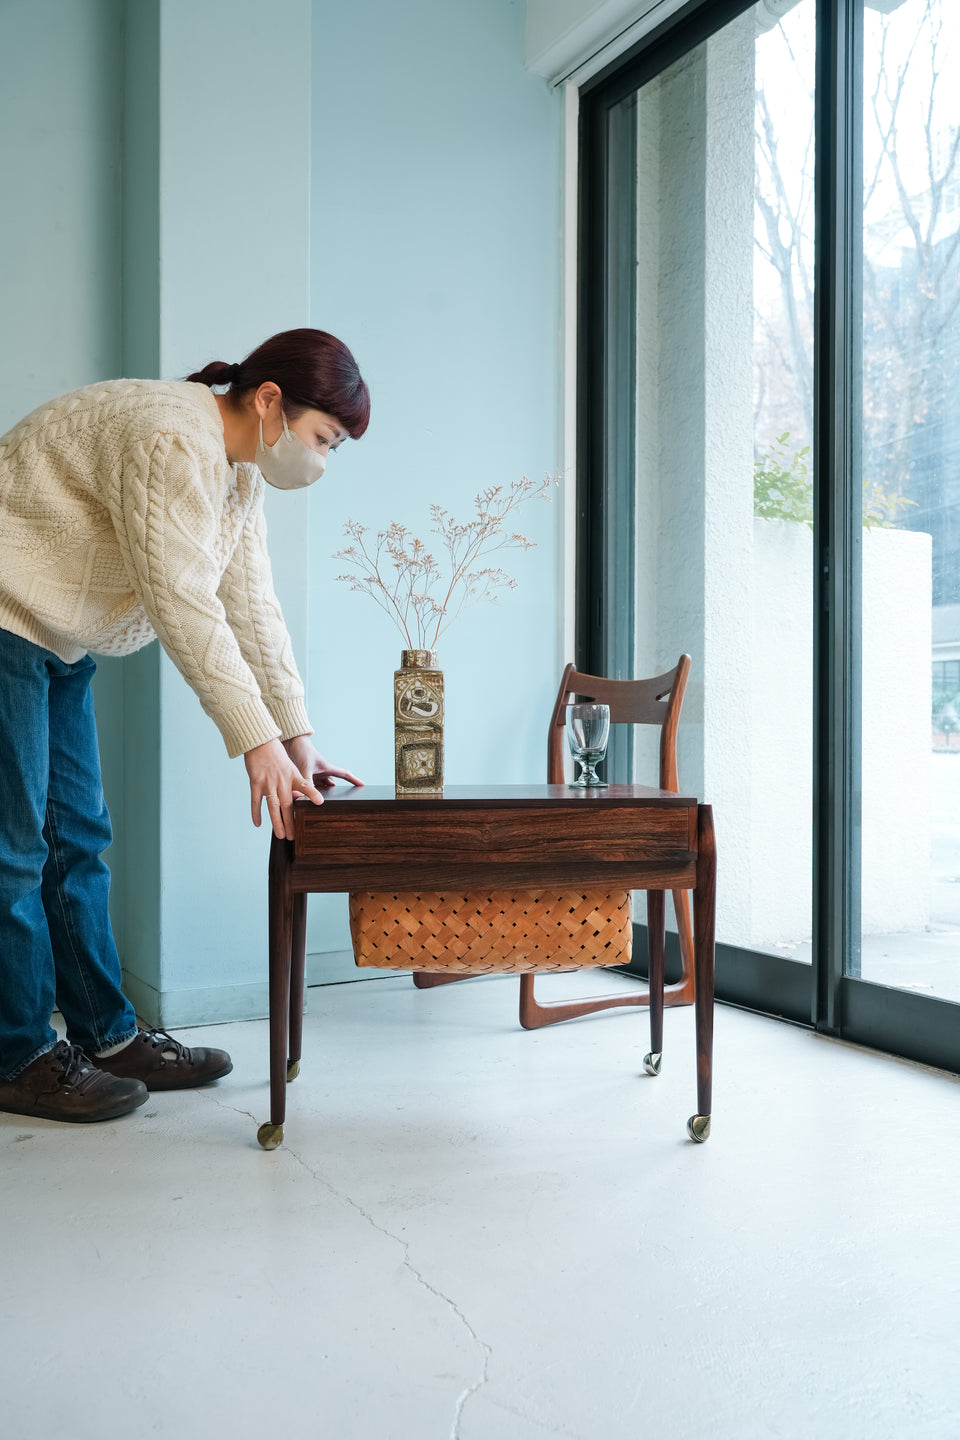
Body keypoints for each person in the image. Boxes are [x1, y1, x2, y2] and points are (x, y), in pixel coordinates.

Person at [0, 328, 368, 1124]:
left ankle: (107, 1037)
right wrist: (255, 743)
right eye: (323, 438)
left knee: (78, 839)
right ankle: (18, 1056)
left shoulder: (237, 474)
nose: (321, 460)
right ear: (270, 401)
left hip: (56, 633)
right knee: (15, 849)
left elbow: (251, 606)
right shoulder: (173, 438)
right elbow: (183, 604)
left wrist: (297, 738)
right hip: (6, 616)